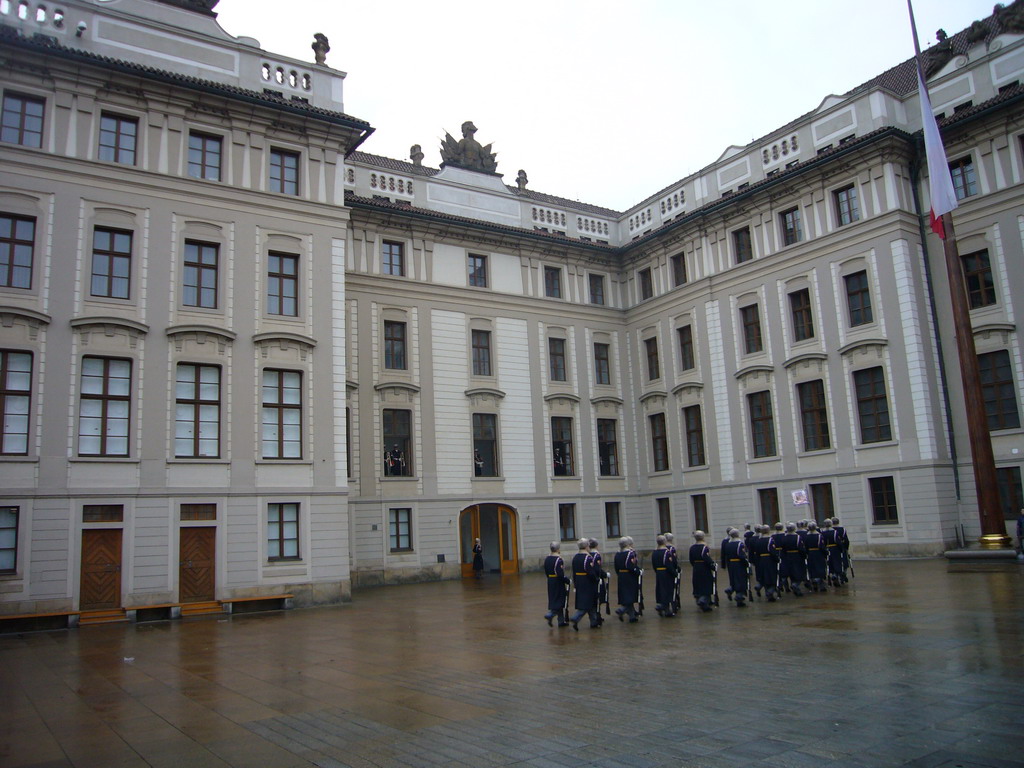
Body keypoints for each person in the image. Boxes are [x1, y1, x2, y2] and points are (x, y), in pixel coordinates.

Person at [569, 538, 600, 630]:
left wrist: (575, 583)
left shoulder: (576, 557)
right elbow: (590, 571)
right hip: (587, 582)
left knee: (591, 602)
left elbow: (574, 572)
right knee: (587, 602)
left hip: (579, 581)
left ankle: (593, 622)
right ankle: (576, 617)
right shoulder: (588, 557)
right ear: (586, 546)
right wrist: (596, 579)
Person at [614, 537, 641, 622]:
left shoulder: (618, 554)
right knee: (630, 595)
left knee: (627, 595)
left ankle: (632, 616)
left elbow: (616, 567)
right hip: (629, 576)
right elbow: (630, 566)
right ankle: (622, 610)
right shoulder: (629, 554)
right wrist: (638, 571)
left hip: (621, 575)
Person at [750, 525, 780, 602]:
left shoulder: (758, 540)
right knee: (772, 576)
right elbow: (772, 551)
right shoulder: (770, 540)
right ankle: (770, 592)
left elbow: (756, 552)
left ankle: (767, 592)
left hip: (761, 560)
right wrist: (777, 559)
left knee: (765, 577)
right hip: (769, 560)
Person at [543, 541, 569, 627]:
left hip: (550, 580)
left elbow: (546, 571)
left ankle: (561, 621)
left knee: (555, 599)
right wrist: (566, 580)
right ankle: (550, 614)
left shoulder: (547, 558)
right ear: (557, 549)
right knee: (559, 598)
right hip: (557, 581)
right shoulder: (558, 559)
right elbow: (560, 573)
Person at [721, 528, 749, 607]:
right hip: (739, 564)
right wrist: (746, 563)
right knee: (740, 579)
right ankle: (739, 596)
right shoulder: (740, 544)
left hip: (731, 564)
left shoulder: (728, 544)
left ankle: (731, 589)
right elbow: (741, 555)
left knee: (733, 579)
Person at [689, 530, 716, 612]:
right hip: (704, 567)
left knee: (697, 583)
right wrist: (712, 565)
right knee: (706, 583)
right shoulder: (704, 547)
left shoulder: (692, 547)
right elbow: (706, 558)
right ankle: (703, 600)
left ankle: (699, 597)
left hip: (696, 567)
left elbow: (691, 559)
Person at [651, 535, 676, 617]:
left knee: (661, 590)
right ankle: (665, 608)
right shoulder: (666, 552)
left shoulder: (655, 552)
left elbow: (654, 564)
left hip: (658, 572)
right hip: (666, 573)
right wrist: (674, 573)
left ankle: (662, 606)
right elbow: (668, 564)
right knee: (667, 590)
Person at [780, 522, 806, 597]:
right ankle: (795, 585)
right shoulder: (797, 537)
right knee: (798, 572)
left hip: (788, 556)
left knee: (791, 572)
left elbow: (783, 549)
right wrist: (803, 556)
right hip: (796, 556)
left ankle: (794, 585)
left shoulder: (784, 537)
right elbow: (801, 548)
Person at [804, 521, 828, 592]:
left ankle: (813, 580)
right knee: (820, 568)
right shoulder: (819, 536)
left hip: (810, 553)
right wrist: (825, 553)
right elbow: (821, 546)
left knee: (812, 568)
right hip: (818, 553)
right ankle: (820, 583)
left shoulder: (806, 536)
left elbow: (805, 546)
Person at [589, 538, 609, 619]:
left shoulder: (589, 554)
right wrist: (605, 575)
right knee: (599, 597)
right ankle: (597, 615)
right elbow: (597, 569)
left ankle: (597, 615)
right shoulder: (596, 555)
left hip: (592, 578)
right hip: (597, 579)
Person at [664, 532, 681, 613]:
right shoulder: (671, 549)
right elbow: (674, 561)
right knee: (674, 587)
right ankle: (675, 604)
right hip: (671, 571)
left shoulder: (659, 549)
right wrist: (676, 569)